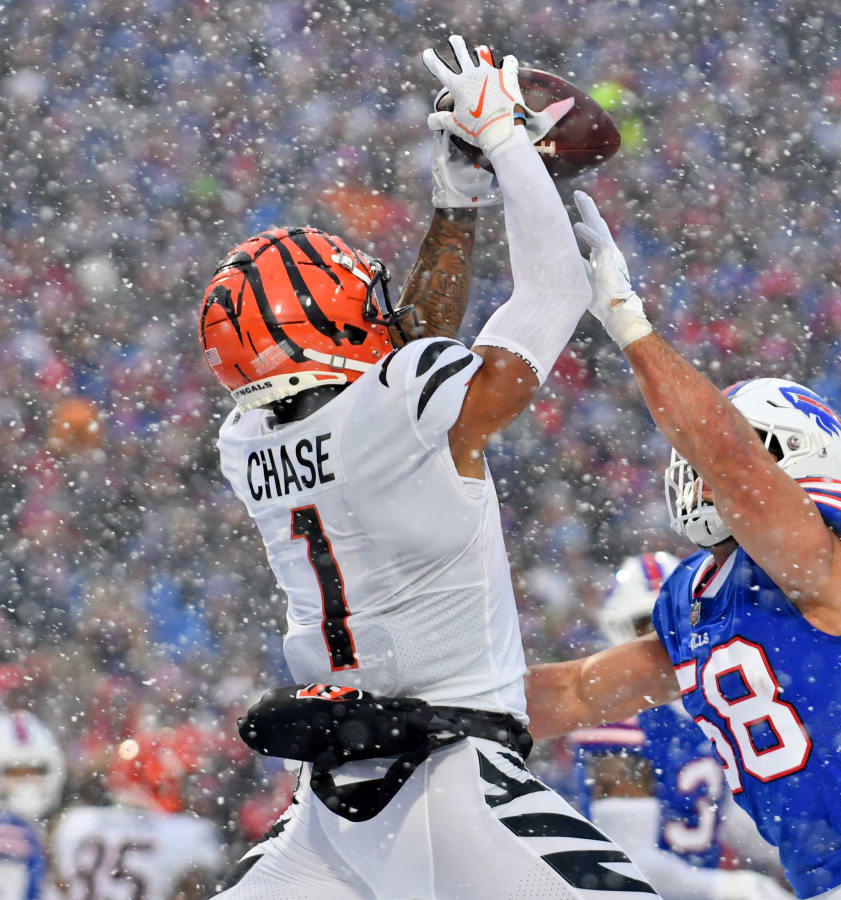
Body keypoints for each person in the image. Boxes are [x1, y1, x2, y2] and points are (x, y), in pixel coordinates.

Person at [203, 37, 655, 898]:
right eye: (362, 299)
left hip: (334, 800)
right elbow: (550, 294)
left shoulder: (243, 441)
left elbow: (402, 354)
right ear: (327, 330)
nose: (385, 310)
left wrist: (456, 202)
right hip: (452, 771)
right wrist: (507, 142)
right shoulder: (400, 400)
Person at [523, 194, 841, 900]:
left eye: (753, 442)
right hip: (830, 879)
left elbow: (731, 461)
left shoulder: (831, 551)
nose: (700, 467)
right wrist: (423, 713)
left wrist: (628, 321)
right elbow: (577, 690)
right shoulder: (698, 596)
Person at [569, 553, 792, 900]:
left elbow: (722, 814)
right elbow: (631, 864)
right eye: (649, 623)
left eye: (681, 619)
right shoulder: (618, 717)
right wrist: (737, 889)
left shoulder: (708, 702)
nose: (668, 636)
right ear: (620, 630)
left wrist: (796, 850)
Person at [52, 727, 225, 899]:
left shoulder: (73, 821)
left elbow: (59, 883)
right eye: (179, 781)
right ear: (160, 782)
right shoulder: (190, 832)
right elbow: (194, 889)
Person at [0, 710, 61, 900]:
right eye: (15, 773)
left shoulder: (49, 827)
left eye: (34, 772)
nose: (26, 782)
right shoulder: (12, 832)